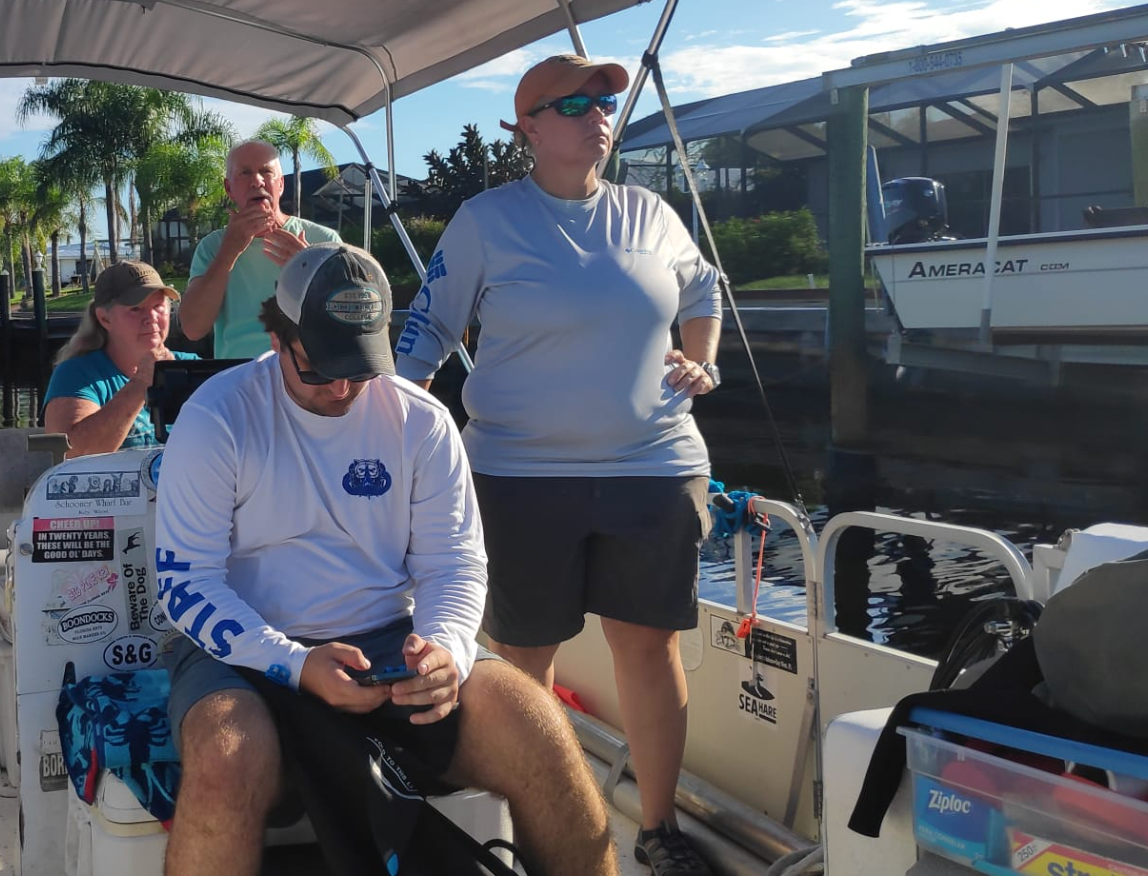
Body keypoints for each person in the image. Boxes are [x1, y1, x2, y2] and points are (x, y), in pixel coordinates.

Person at [154, 243, 614, 876]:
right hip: (242, 651)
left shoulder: (420, 421)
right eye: (319, 369)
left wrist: (447, 649)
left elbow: (453, 564)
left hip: (392, 642)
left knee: (540, 724)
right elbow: (186, 585)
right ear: (278, 335)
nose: (343, 387)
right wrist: (297, 663)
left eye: (361, 367)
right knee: (226, 757)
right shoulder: (217, 418)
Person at [393, 54, 724, 876]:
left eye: (605, 100)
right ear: (527, 128)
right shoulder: (484, 220)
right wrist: (386, 420)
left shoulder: (650, 213)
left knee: (648, 649)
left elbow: (702, 291)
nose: (598, 113)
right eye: (573, 102)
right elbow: (427, 331)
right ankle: (541, 828)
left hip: (654, 465)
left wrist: (699, 361)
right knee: (523, 658)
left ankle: (657, 828)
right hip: (518, 476)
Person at [177, 139, 341, 358]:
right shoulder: (212, 247)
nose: (257, 181)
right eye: (245, 173)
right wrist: (229, 251)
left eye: (266, 172)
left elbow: (344, 320)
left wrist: (309, 272)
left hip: (307, 375)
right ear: (229, 189)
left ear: (281, 184)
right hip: (237, 379)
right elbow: (193, 329)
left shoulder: (324, 240)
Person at [42, 260, 198, 455]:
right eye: (136, 309)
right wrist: (142, 382)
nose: (151, 317)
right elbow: (71, 454)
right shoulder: (77, 374)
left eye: (158, 306)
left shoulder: (190, 366)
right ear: (104, 319)